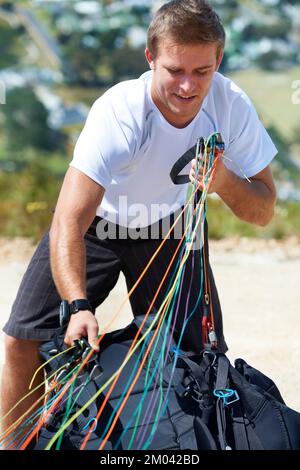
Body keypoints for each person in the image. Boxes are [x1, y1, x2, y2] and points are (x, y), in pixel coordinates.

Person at [1, 0, 277, 446]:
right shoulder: (120, 113)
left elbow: (264, 211)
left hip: (170, 229)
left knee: (196, 360)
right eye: (174, 70)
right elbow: (69, 218)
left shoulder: (231, 105)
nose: (188, 86)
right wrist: (77, 306)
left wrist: (224, 180)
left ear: (218, 61)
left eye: (202, 71)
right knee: (22, 341)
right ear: (150, 59)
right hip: (98, 227)